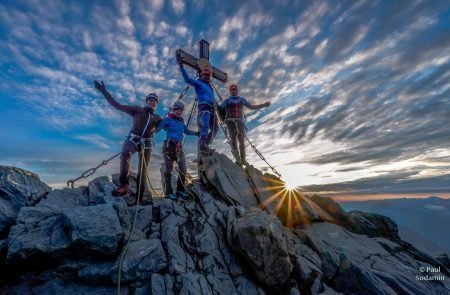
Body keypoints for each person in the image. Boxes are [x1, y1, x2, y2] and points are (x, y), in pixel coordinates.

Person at [94, 81, 161, 201]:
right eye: (150, 100)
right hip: (133, 139)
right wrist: (104, 91)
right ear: (147, 102)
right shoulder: (137, 110)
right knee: (125, 154)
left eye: (155, 101)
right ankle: (124, 186)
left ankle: (139, 199)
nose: (152, 102)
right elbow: (117, 105)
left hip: (147, 143)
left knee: (143, 171)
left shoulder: (157, 118)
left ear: (156, 104)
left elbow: (170, 125)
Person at [177, 54, 218, 159]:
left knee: (215, 128)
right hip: (204, 106)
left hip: (213, 107)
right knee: (205, 125)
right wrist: (181, 66)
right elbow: (188, 80)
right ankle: (203, 144)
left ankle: (206, 145)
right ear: (201, 74)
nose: (207, 77)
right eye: (205, 75)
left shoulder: (210, 86)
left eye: (209, 76)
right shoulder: (199, 83)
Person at [156, 101, 199, 200]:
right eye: (177, 109)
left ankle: (180, 190)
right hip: (169, 146)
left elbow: (187, 131)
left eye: (180, 110)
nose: (178, 111)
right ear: (173, 109)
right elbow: (157, 128)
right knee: (168, 170)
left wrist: (197, 133)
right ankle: (168, 193)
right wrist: (157, 121)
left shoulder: (181, 121)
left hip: (179, 147)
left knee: (183, 169)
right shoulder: (167, 119)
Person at [219, 83, 270, 165]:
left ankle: (243, 159)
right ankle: (237, 159)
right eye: (232, 90)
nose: (233, 91)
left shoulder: (242, 100)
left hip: (240, 122)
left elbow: (251, 107)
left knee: (241, 141)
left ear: (237, 91)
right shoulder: (227, 101)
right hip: (230, 122)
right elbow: (219, 109)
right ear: (230, 91)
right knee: (233, 141)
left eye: (235, 89)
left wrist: (263, 105)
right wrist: (222, 119)